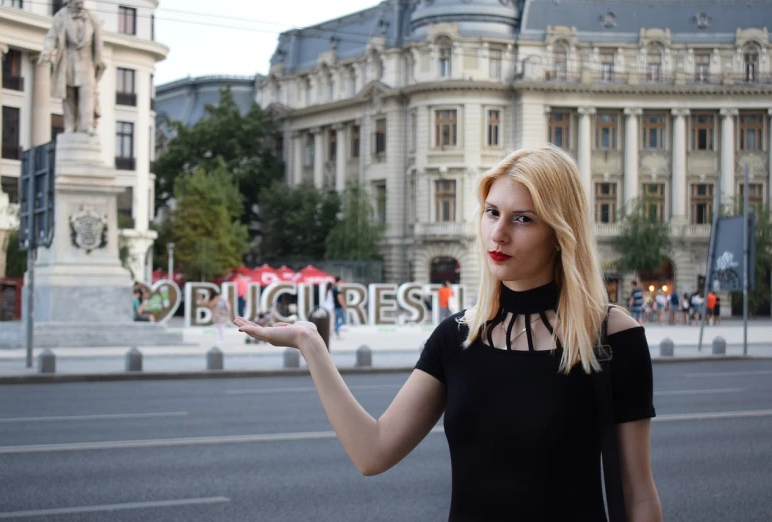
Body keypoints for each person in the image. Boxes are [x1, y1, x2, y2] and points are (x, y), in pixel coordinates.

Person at [234, 147, 662, 521]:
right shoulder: (457, 336)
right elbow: (372, 452)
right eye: (492, 212)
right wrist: (312, 345)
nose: (498, 233)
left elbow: (638, 495)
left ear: (559, 233)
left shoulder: (611, 338)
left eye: (523, 219)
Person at [39, 0, 105, 134]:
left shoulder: (92, 18)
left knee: (87, 94)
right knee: (68, 95)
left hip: (87, 62)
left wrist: (100, 60)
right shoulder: (61, 16)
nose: (80, 2)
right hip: (68, 60)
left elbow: (98, 42)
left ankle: (86, 125)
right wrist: (47, 52)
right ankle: (69, 125)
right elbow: (51, 37)